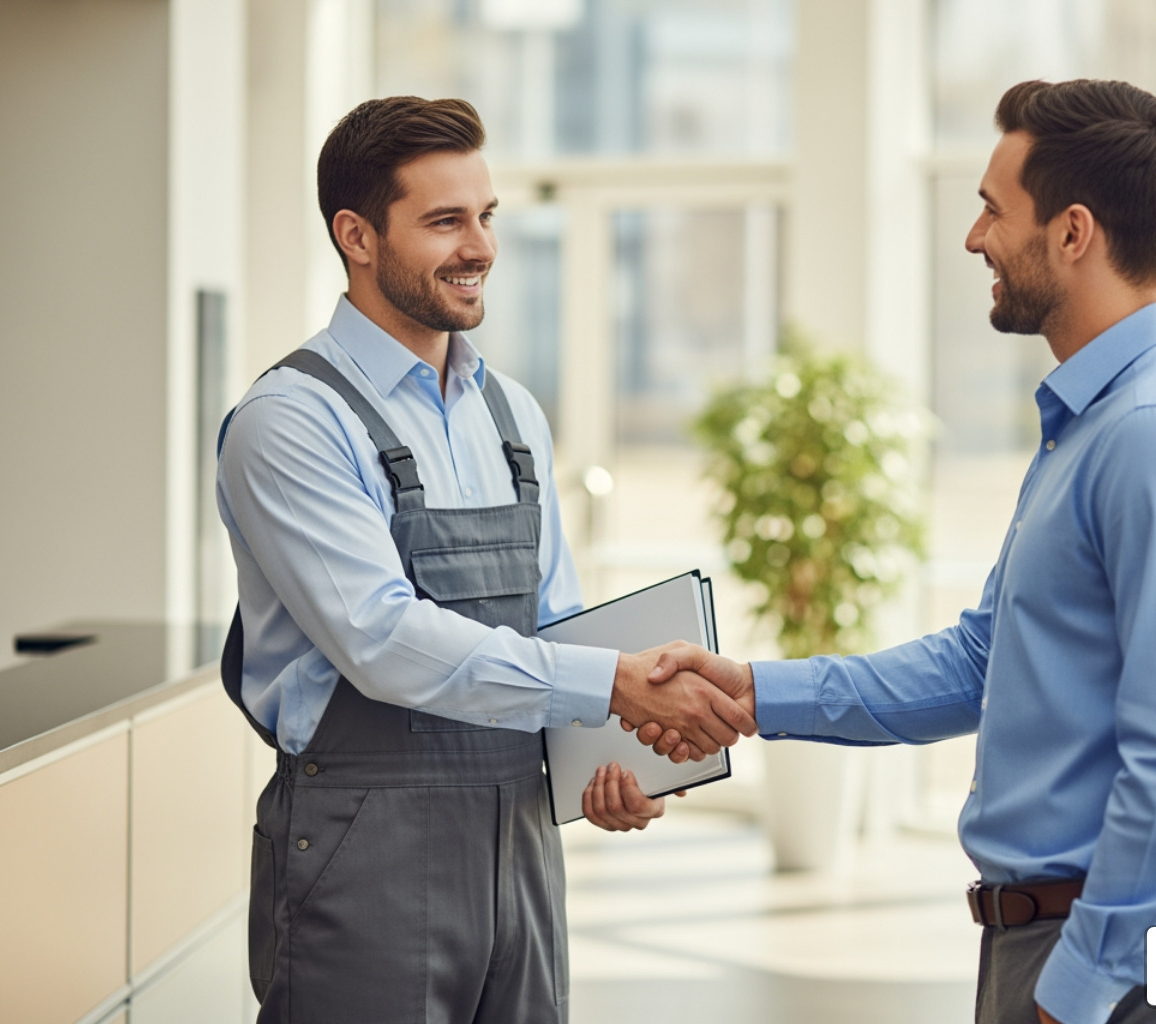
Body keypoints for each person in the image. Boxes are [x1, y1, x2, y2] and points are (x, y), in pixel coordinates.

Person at [617, 79, 1156, 1024]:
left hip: (1118, 961)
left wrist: (1077, 996)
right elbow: (983, 661)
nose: (975, 238)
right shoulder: (1094, 428)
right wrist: (754, 693)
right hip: (1057, 946)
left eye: (991, 209)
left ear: (1073, 232)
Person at [216, 96, 754, 1024]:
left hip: (518, 845)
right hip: (363, 849)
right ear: (356, 235)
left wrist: (606, 767)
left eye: (487, 215)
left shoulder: (510, 413)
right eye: (444, 221)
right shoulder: (291, 421)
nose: (481, 246)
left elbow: (555, 627)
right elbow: (382, 639)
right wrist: (615, 687)